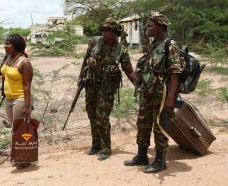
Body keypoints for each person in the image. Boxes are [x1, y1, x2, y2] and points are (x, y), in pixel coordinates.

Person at [124, 14, 183, 173]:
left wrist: (170, 99)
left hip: (161, 96)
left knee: (160, 128)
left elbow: (175, 74)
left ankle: (159, 161)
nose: (146, 29)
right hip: (147, 94)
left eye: (150, 26)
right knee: (142, 124)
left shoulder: (169, 46)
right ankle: (141, 156)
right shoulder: (154, 44)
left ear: (161, 26)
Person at [78, 18, 135, 161]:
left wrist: (139, 86)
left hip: (107, 88)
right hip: (91, 85)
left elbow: (129, 71)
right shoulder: (94, 43)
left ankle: (105, 148)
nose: (104, 32)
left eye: (107, 30)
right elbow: (85, 60)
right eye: (103, 30)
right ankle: (95, 144)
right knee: (92, 115)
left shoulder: (121, 50)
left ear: (115, 33)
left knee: (102, 117)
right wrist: (80, 77)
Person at [0, 34, 33, 169]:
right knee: (15, 129)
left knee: (20, 129)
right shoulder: (8, 58)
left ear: (16, 46)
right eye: (5, 43)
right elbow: (1, 73)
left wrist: (27, 105)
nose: (5, 46)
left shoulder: (24, 62)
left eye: (8, 44)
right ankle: (20, 155)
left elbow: (27, 85)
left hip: (20, 99)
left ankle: (25, 158)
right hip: (9, 98)